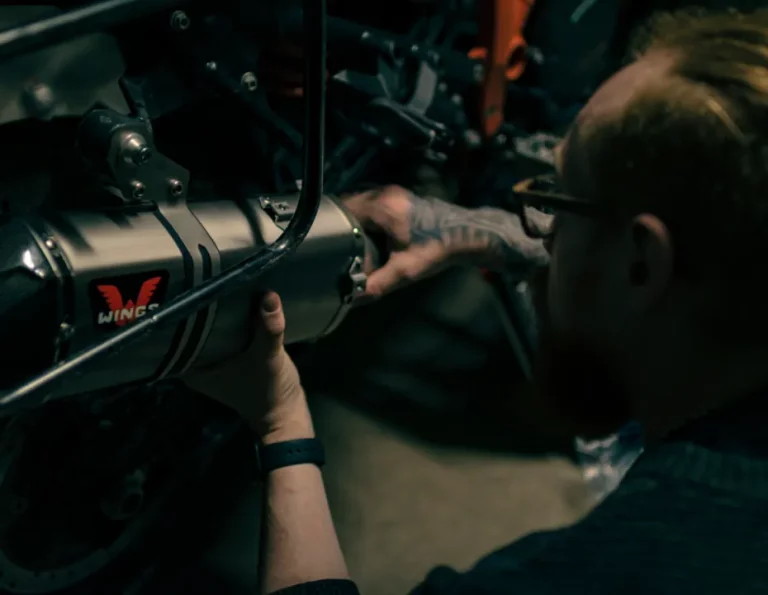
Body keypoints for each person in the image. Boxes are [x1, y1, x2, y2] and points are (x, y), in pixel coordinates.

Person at [185, 9, 768, 595]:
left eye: (559, 198)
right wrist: (480, 231)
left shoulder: (639, 562)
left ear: (641, 264)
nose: (541, 232)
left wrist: (280, 420)